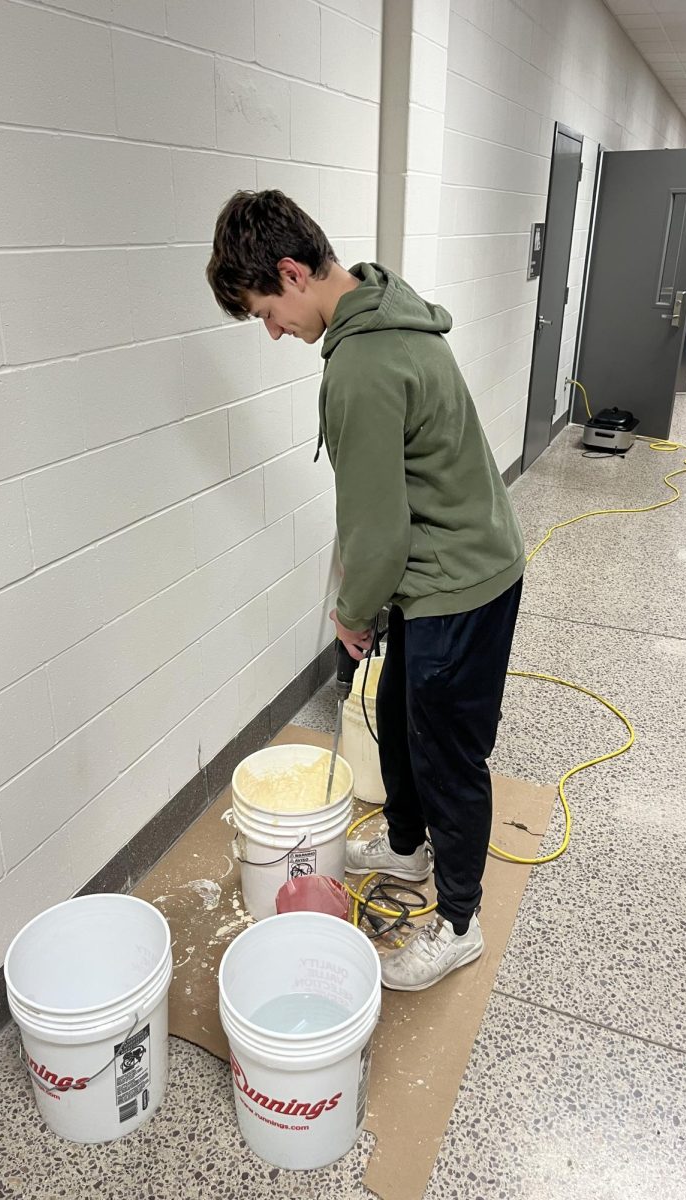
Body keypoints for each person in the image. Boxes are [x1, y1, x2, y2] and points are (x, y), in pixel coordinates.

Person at [206, 190, 525, 991]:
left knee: (448, 752)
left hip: (458, 579)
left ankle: (457, 923)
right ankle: (408, 841)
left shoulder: (361, 365)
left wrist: (351, 617)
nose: (273, 332)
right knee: (395, 712)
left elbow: (379, 533)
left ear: (291, 271)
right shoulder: (385, 305)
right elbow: (386, 510)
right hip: (447, 564)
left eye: (266, 312)